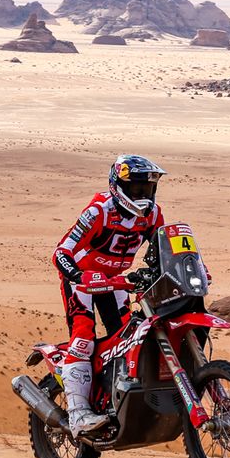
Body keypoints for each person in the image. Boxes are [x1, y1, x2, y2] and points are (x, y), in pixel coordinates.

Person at [51, 154, 166, 435]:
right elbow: (61, 252)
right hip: (83, 282)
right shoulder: (98, 211)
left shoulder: (152, 214)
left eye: (147, 189)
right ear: (118, 186)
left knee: (128, 336)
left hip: (116, 283)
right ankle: (78, 414)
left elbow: (164, 249)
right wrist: (78, 275)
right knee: (83, 338)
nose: (143, 195)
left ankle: (120, 398)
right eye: (136, 189)